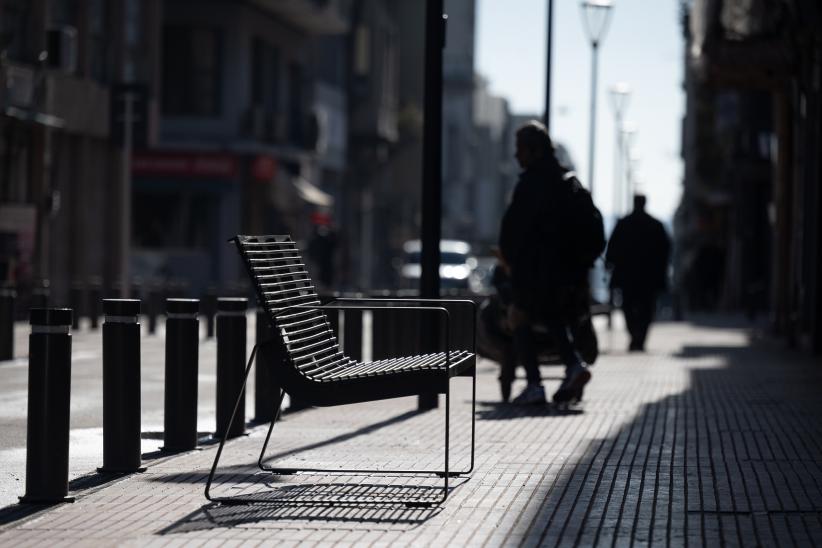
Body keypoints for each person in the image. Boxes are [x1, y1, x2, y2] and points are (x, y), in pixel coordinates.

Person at [498, 121, 592, 405]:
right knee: (553, 317)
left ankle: (536, 384)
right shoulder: (567, 181)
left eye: (520, 149)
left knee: (518, 316)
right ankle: (573, 366)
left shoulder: (532, 184)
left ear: (533, 150)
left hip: (535, 270)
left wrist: (510, 258)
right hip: (567, 273)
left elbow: (514, 230)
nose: (517, 156)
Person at [605, 194, 671, 351]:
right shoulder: (655, 225)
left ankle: (635, 336)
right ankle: (640, 338)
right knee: (647, 308)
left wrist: (610, 263)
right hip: (649, 276)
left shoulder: (624, 224)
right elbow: (666, 250)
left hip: (627, 275)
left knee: (628, 306)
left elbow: (612, 247)